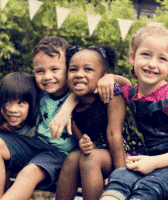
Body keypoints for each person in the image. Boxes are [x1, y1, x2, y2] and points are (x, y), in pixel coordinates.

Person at [0, 36, 130, 200]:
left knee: (29, 172)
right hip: (36, 144)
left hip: (60, 152)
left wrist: (110, 78)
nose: (47, 76)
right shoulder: (38, 89)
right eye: (40, 71)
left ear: (67, 69)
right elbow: (12, 100)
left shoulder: (79, 90)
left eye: (55, 69)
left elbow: (125, 85)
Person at [100, 25, 168, 200]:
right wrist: (109, 77)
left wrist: (153, 162)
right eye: (146, 54)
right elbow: (124, 84)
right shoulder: (134, 96)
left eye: (162, 59)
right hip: (157, 161)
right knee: (119, 177)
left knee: (149, 186)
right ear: (132, 57)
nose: (152, 64)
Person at [55, 45, 127, 200]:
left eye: (88, 69)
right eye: (73, 69)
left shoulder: (111, 94)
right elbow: (81, 138)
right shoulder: (70, 104)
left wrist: (121, 178)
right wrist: (86, 144)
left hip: (123, 155)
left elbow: (114, 134)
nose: (79, 74)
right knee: (72, 158)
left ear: (103, 76)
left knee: (90, 158)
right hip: (97, 152)